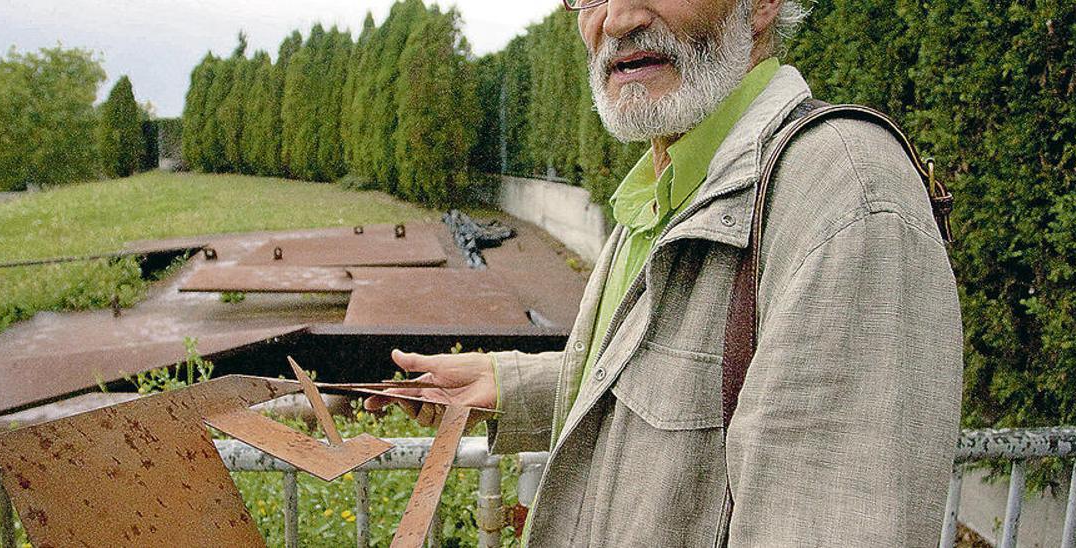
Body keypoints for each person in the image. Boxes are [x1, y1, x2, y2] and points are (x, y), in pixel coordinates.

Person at [367, 0, 963, 544]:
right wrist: (507, 386)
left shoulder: (848, 199)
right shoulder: (663, 189)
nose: (617, 20)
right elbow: (684, 388)